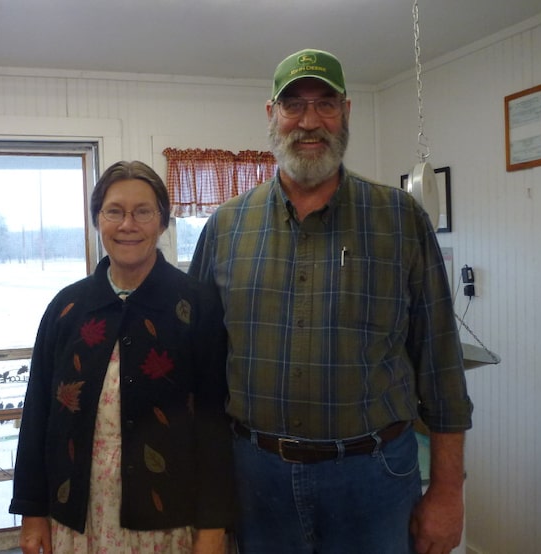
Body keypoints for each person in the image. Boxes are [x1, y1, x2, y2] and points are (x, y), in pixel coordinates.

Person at [188, 49, 473, 554]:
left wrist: (449, 491)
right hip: (257, 478)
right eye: (294, 105)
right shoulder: (225, 228)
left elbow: (442, 367)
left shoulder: (400, 218)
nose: (310, 121)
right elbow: (203, 373)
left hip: (375, 477)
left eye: (325, 104)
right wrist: (209, 498)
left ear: (346, 111)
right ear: (271, 114)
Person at [10, 160, 235, 554]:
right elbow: (38, 416)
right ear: (98, 220)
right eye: (114, 211)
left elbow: (215, 423)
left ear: (162, 222)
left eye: (143, 212)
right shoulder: (67, 309)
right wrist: (32, 513)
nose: (127, 224)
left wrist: (213, 527)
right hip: (79, 517)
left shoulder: (197, 306)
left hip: (168, 521)